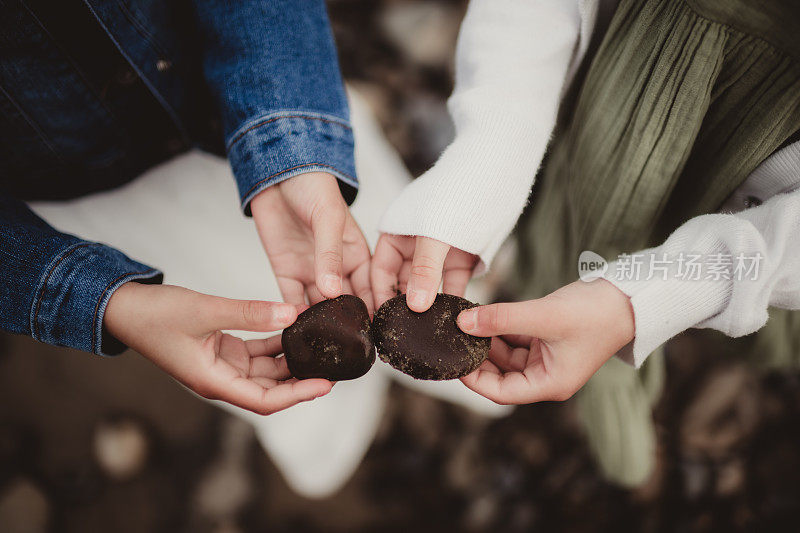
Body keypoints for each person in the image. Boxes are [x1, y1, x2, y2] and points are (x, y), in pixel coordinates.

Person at [371, 0, 800, 484]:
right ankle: (603, 362)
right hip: (610, 115)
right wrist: (485, 161)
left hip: (764, 179)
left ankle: (708, 357)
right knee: (570, 267)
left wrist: (645, 304)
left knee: (742, 302)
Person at [0, 0, 371, 414]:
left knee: (361, 255)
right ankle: (340, 428)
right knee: (235, 329)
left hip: (252, 108)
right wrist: (104, 300)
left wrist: (287, 140)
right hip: (85, 203)